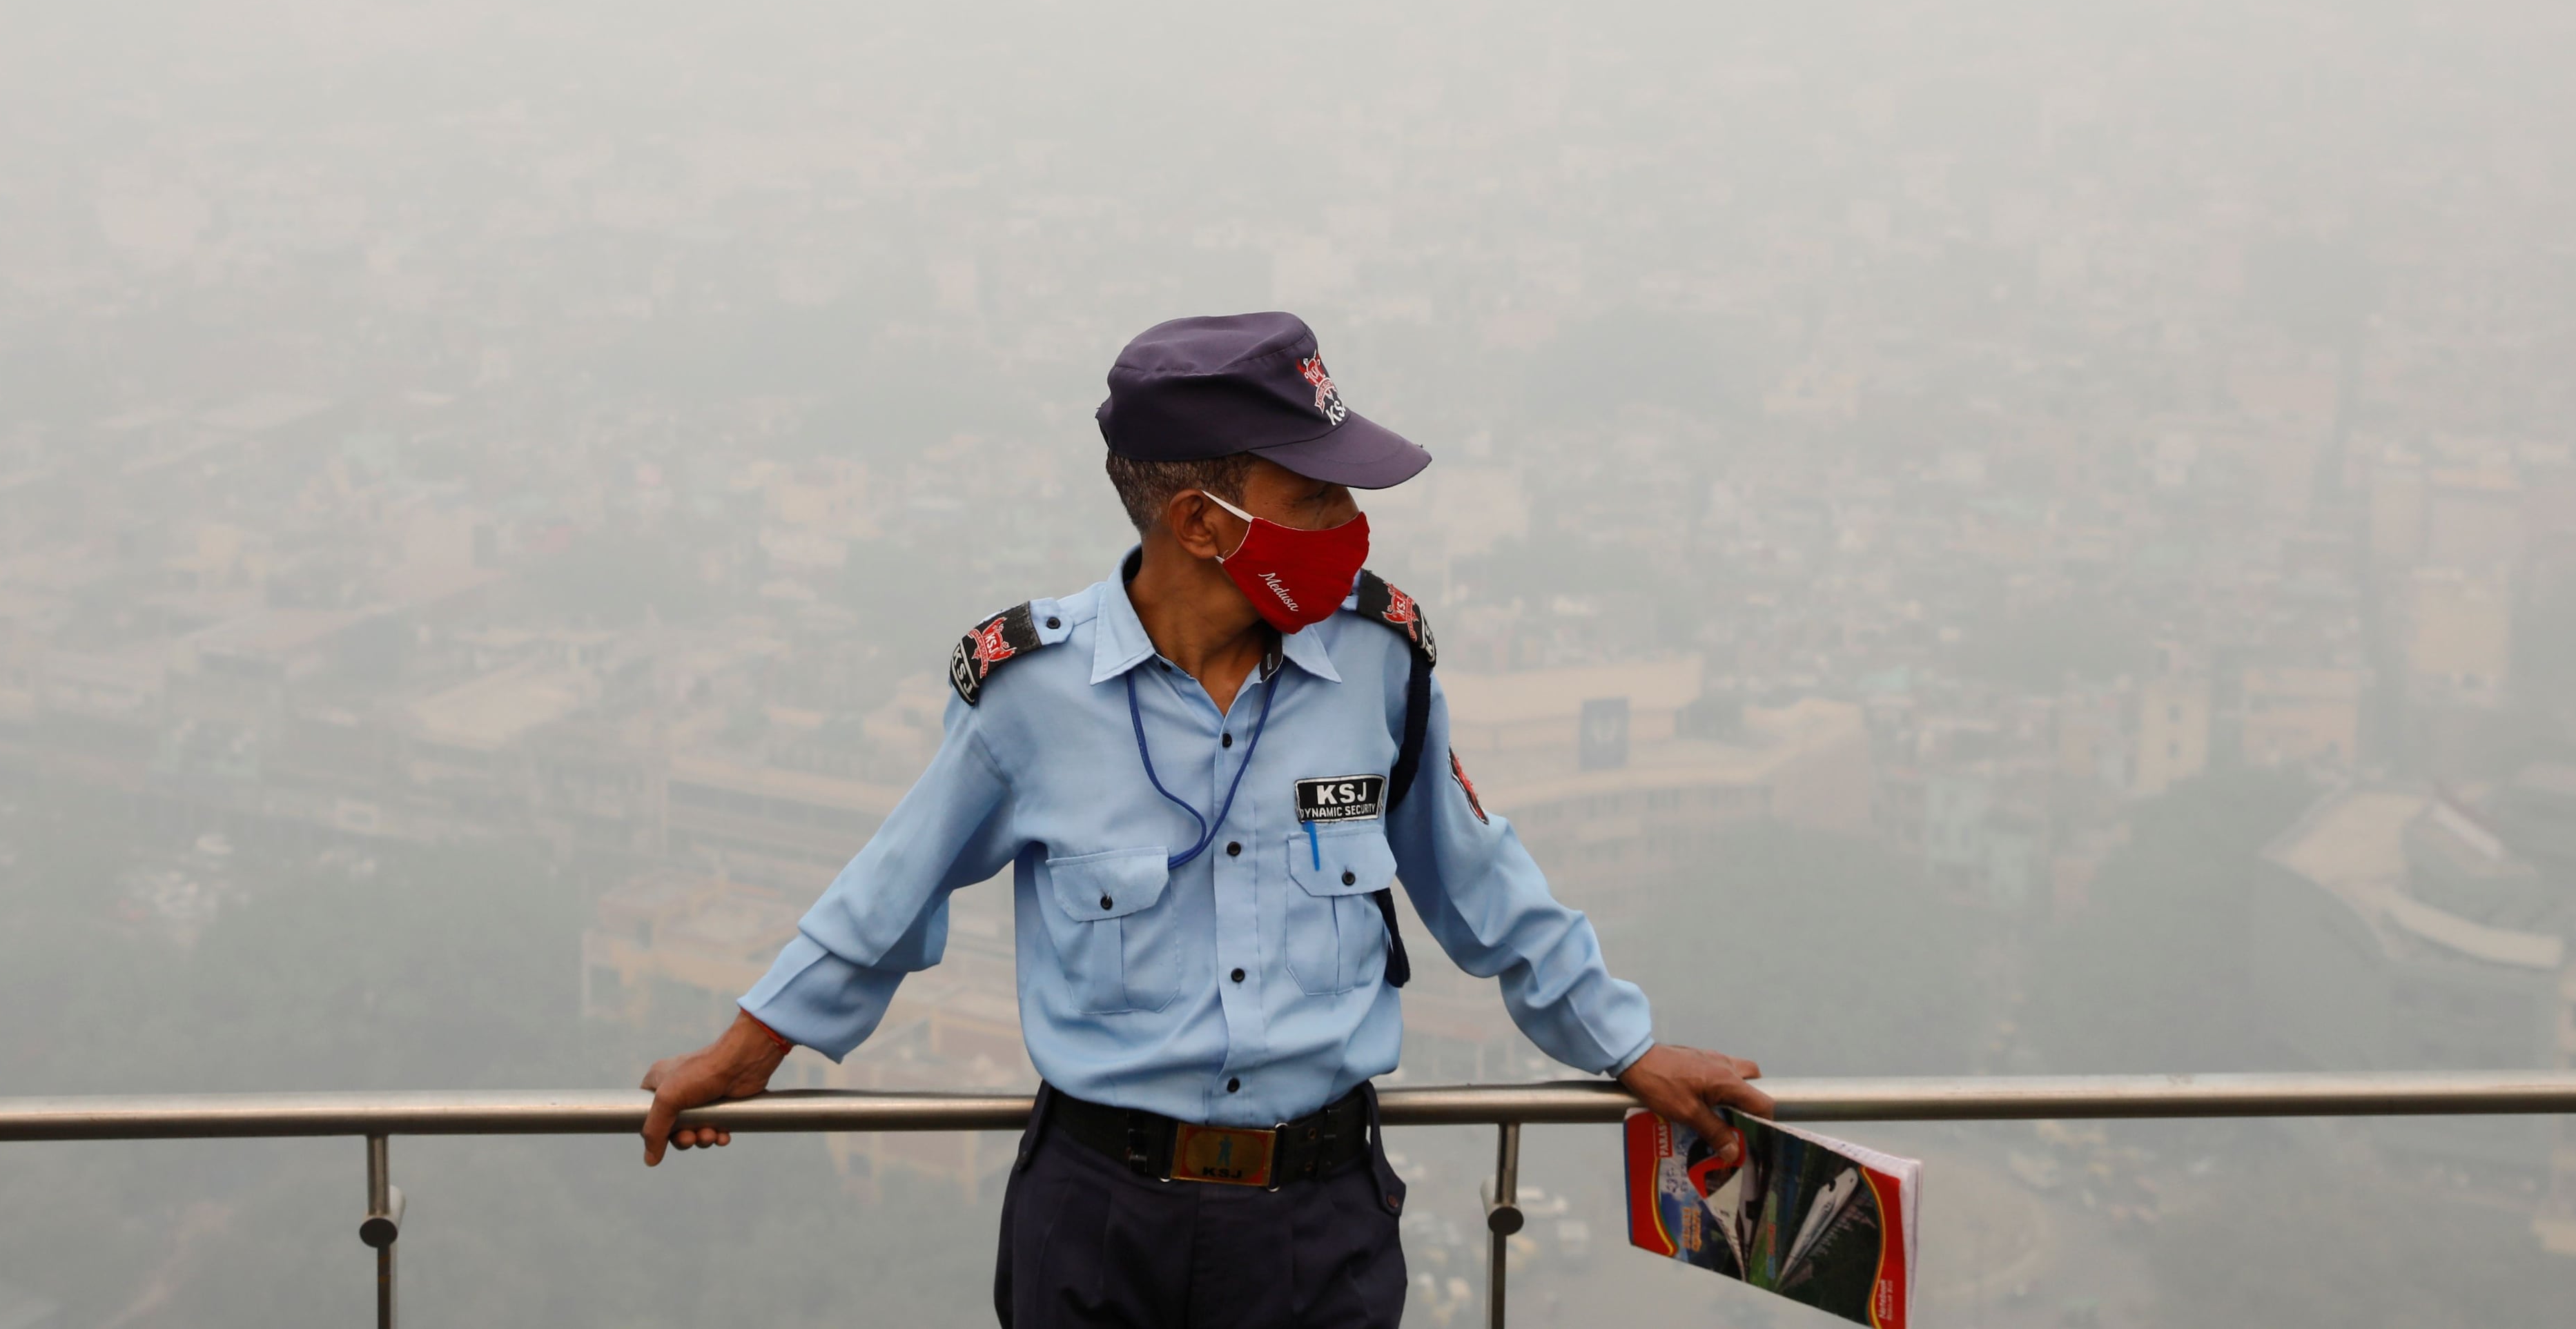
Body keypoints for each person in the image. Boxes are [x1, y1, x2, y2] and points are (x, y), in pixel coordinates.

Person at [637, 311, 1775, 1327]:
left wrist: (1625, 1045)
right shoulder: (1032, 689)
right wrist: (746, 1052)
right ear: (1200, 519)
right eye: (1316, 496)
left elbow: (1480, 883)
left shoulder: (1381, 663)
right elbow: (891, 889)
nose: (1350, 522)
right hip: (1097, 1217)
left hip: (1316, 1221)